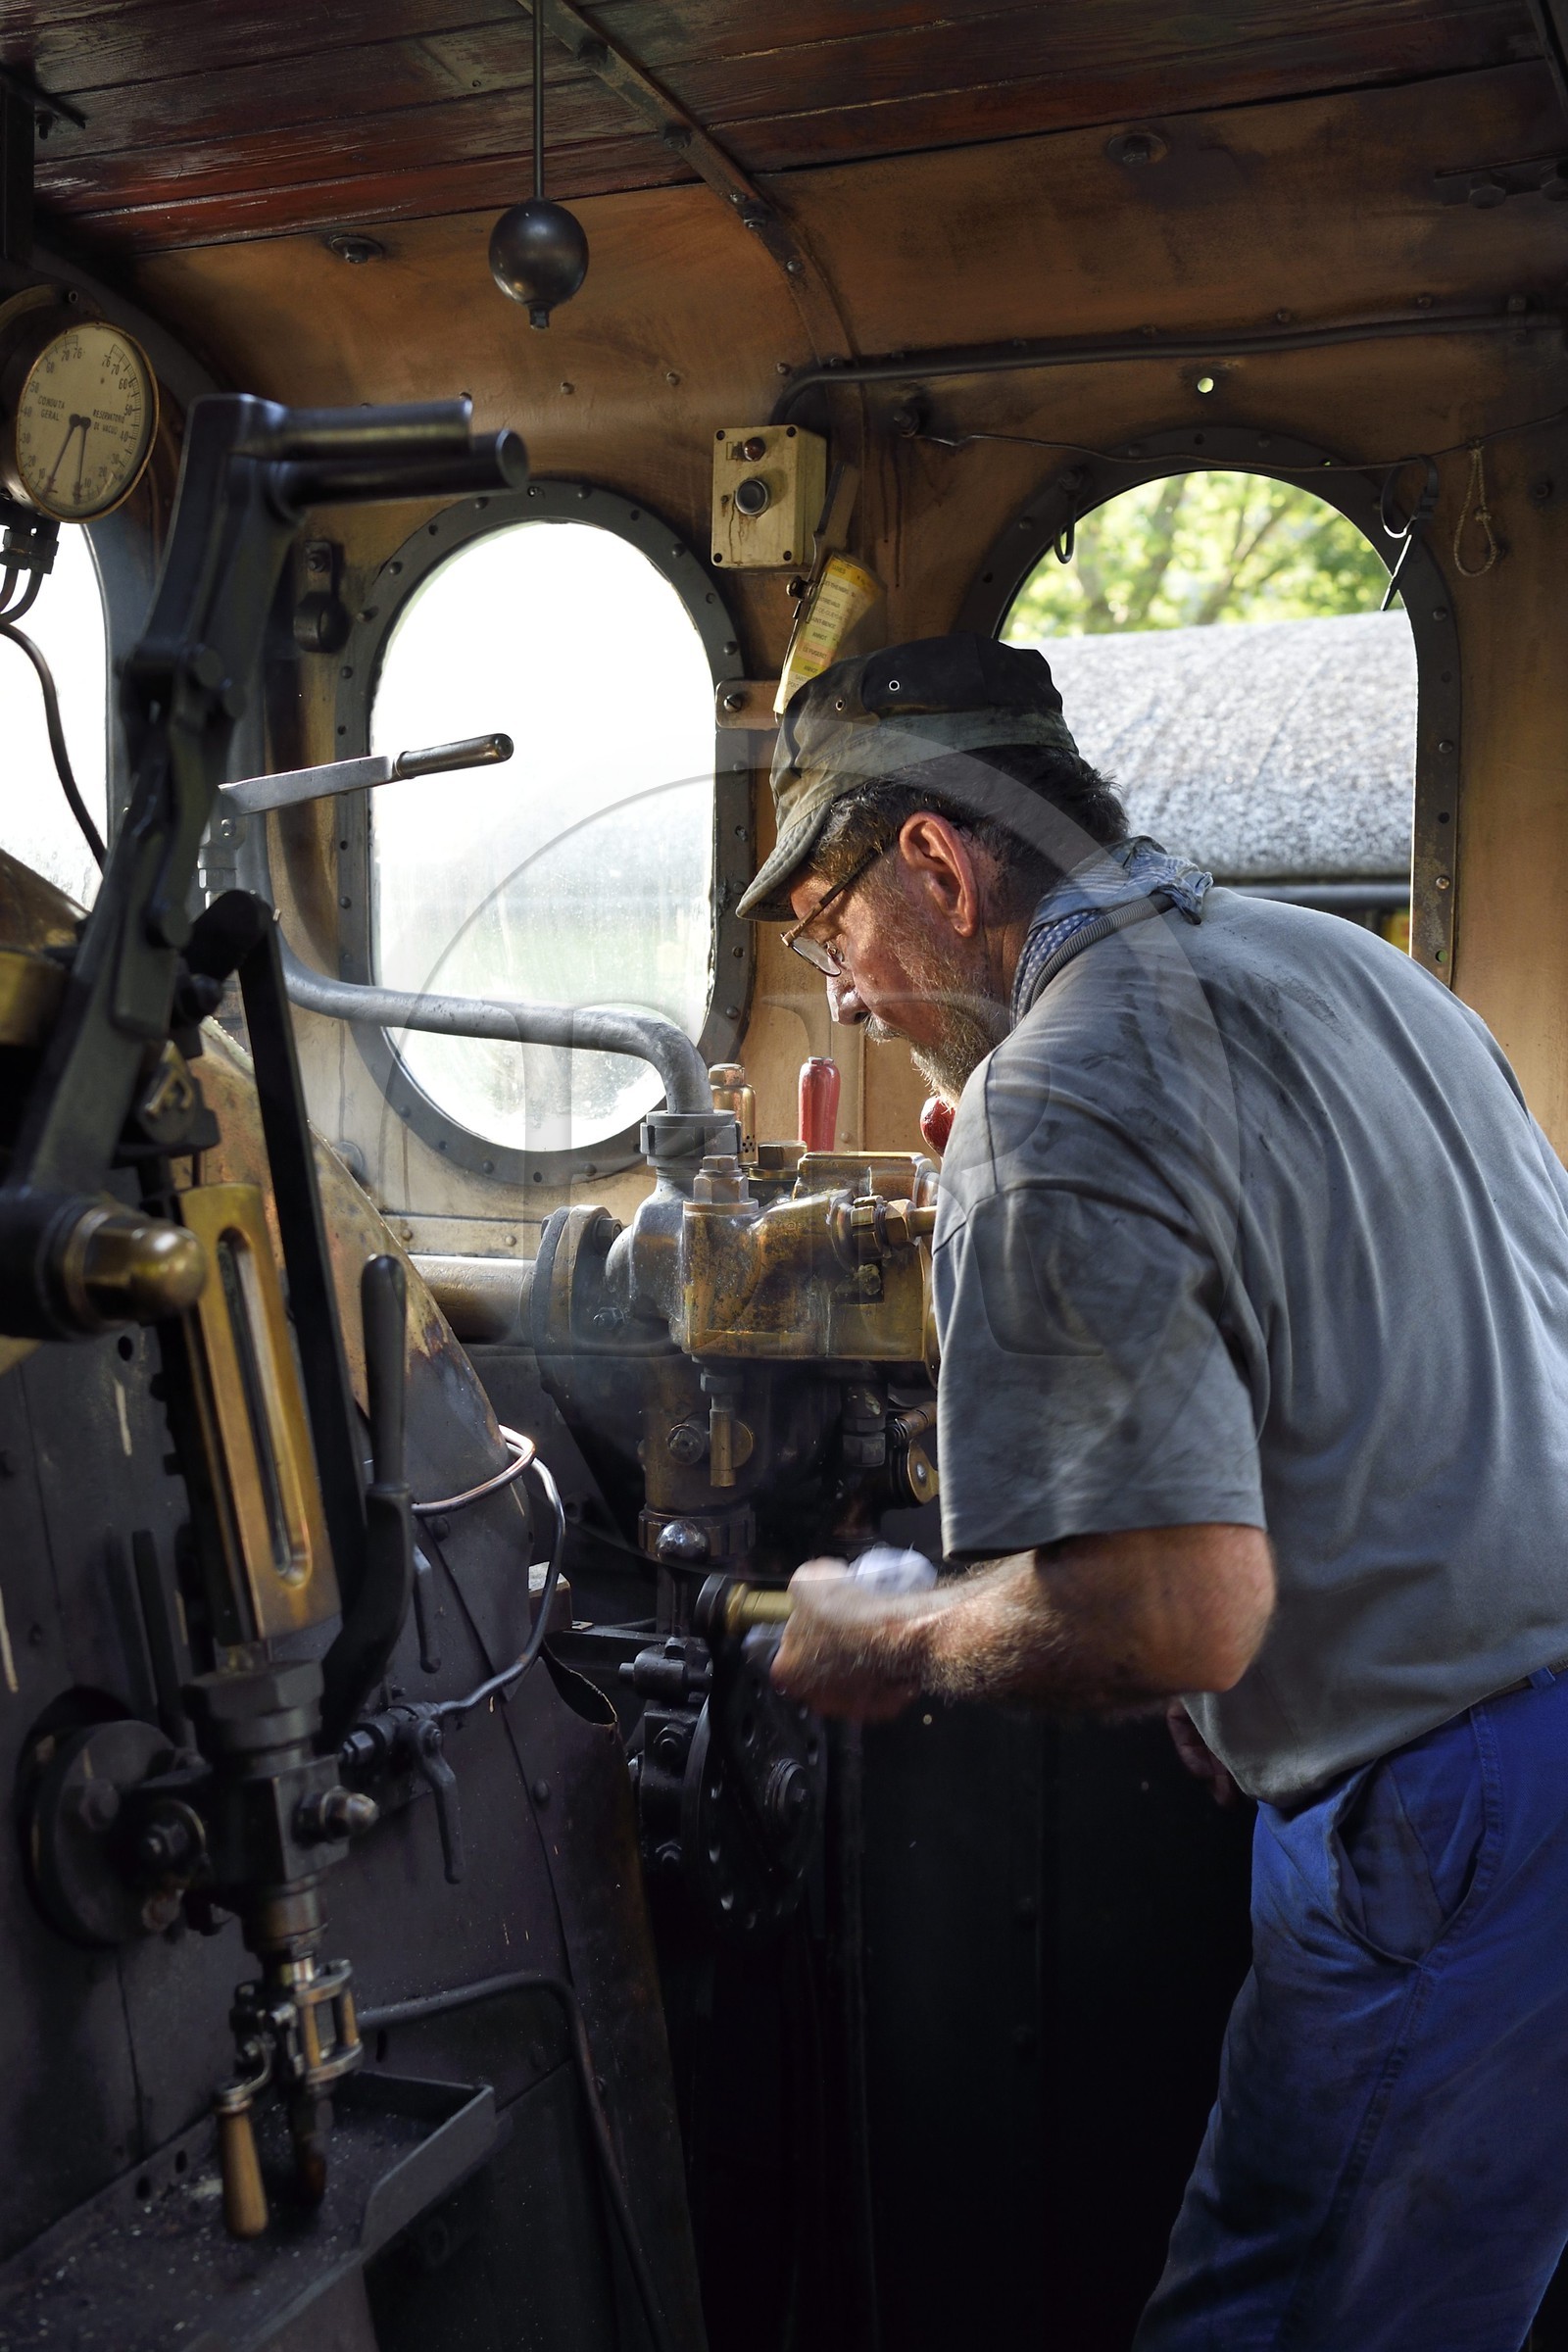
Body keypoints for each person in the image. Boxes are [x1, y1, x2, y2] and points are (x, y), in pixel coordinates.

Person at [735, 630, 1568, 2350]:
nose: (843, 992)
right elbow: (1398, 1367)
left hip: (1453, 1815)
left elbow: (1175, 1613)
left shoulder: (1059, 1090)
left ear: (938, 865)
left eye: (830, 932)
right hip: (1495, 1753)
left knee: (1274, 2320)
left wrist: (893, 1636)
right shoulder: (1354, 971)